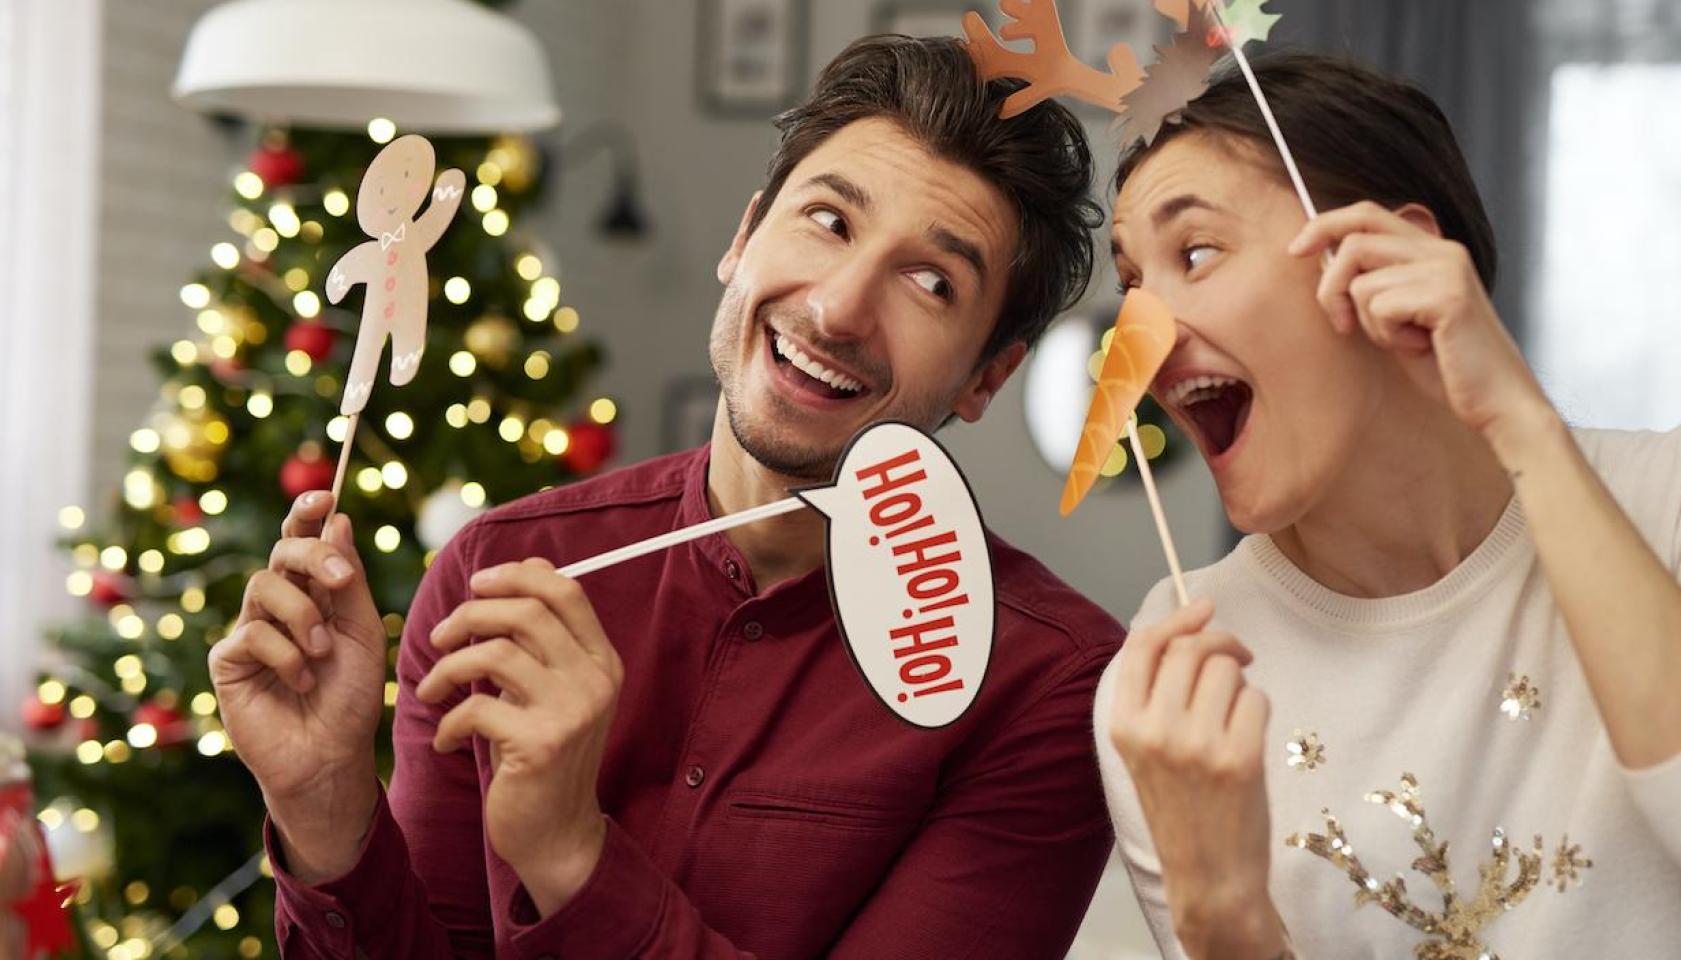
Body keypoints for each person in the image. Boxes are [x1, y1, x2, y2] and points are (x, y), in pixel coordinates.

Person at [211, 34, 1125, 960]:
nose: (840, 308)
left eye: (931, 282)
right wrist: (323, 807)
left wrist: (571, 853)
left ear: (987, 377)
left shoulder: (1051, 685)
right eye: (830, 221)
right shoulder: (496, 573)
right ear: (744, 237)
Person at [1093, 53, 1681, 958]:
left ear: (1387, 257)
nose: (1139, 341)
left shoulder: (1679, 499)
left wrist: (1523, 424)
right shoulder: (1174, 682)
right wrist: (1219, 916)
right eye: (1132, 285)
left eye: (1196, 252)